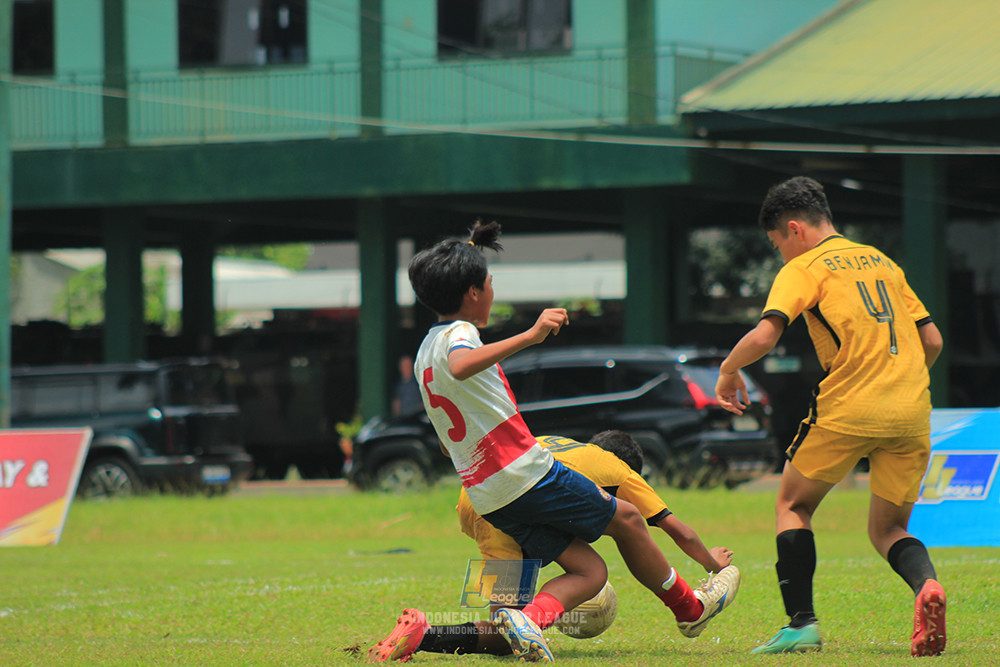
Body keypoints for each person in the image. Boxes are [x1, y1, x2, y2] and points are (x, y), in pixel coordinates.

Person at [398, 220, 739, 662]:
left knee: (587, 572)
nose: (493, 290)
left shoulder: (425, 352)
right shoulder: (460, 336)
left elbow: (448, 438)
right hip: (527, 479)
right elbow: (463, 364)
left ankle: (448, 633)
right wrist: (531, 335)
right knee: (631, 521)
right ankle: (691, 610)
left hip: (483, 499)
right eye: (490, 282)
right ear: (473, 293)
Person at [714, 176, 946, 657]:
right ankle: (926, 586)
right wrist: (896, 381)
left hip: (850, 406)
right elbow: (932, 341)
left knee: (793, 506)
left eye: (778, 244)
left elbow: (764, 335)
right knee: (889, 530)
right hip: (911, 410)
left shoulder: (805, 266)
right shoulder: (884, 262)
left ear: (794, 229)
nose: (782, 254)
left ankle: (801, 625)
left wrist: (728, 369)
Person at [367, 431, 735, 661]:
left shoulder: (566, 445)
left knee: (503, 632)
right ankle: (690, 608)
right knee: (594, 568)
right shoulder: (618, 469)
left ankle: (424, 636)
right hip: (523, 497)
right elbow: (678, 530)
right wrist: (712, 562)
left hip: (474, 501)